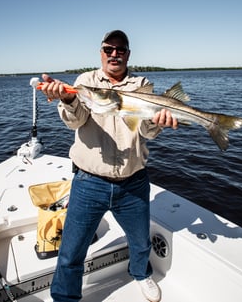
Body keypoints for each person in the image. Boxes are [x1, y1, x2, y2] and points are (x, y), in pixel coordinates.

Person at [40, 30, 178, 302]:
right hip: (89, 183)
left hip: (133, 182)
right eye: (108, 49)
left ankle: (141, 274)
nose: (114, 54)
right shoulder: (86, 82)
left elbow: (147, 133)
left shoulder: (141, 84)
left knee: (140, 242)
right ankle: (65, 298)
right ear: (101, 52)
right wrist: (68, 99)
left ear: (128, 54)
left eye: (120, 50)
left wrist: (157, 121)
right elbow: (75, 122)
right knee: (71, 251)